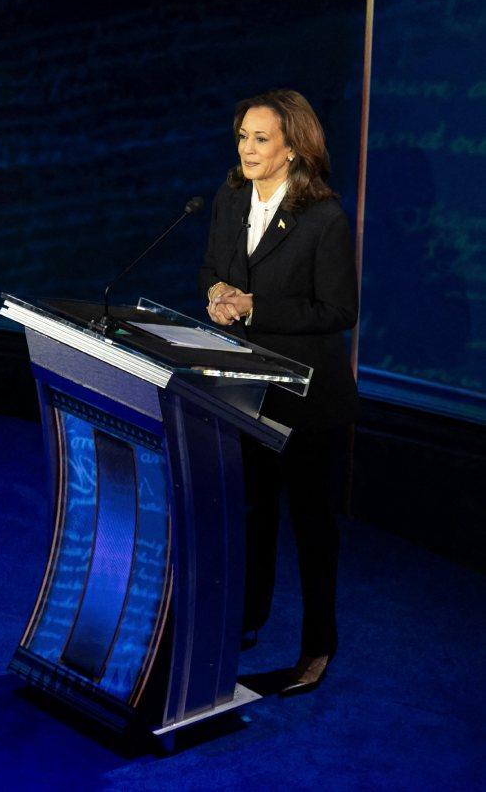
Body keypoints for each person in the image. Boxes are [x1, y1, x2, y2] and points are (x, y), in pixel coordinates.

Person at [198, 89, 357, 696]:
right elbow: (213, 266)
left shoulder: (323, 217)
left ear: (294, 147)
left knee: (312, 527)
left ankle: (318, 648)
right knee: (252, 512)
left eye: (261, 139)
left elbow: (339, 308)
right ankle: (247, 618)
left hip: (308, 400)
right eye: (243, 136)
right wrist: (215, 294)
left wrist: (255, 306)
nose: (247, 149)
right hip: (244, 389)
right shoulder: (231, 195)